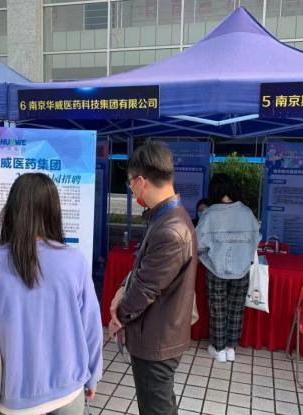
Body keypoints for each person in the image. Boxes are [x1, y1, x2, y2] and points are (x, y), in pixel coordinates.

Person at [0, 173, 103, 415]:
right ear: (53, 211)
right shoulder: (74, 261)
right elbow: (91, 329)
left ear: (11, 211)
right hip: (68, 390)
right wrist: (92, 375)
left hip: (12, 396)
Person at [109, 141, 197, 415]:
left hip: (157, 337)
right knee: (160, 404)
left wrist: (118, 316)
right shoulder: (166, 216)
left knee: (156, 408)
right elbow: (144, 267)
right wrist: (121, 288)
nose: (132, 190)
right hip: (158, 331)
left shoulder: (170, 228)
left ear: (140, 182)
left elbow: (145, 290)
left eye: (130, 184)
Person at [196, 173, 260, 363]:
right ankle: (231, 348)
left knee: (218, 309)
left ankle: (218, 349)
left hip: (216, 268)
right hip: (242, 269)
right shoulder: (247, 212)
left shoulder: (210, 214)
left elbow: (198, 243)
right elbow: (256, 240)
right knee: (236, 309)